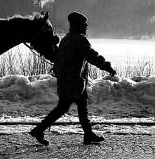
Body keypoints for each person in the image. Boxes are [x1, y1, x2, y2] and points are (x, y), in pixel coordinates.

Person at [29, 11, 116, 145]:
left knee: (82, 107)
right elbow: (91, 55)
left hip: (69, 80)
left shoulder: (66, 39)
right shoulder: (79, 39)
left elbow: (58, 58)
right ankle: (39, 130)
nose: (86, 25)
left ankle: (88, 134)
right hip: (73, 81)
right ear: (78, 25)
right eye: (84, 23)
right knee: (63, 108)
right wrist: (106, 66)